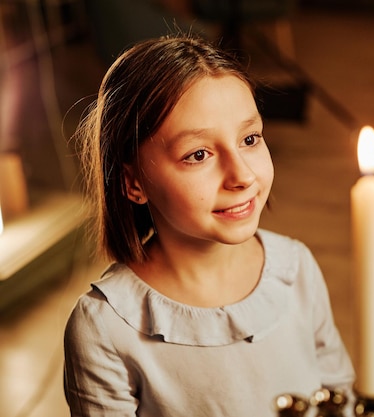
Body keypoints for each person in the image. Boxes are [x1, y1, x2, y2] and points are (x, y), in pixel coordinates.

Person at [63, 34, 355, 416]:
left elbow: (340, 397)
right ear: (133, 182)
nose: (242, 175)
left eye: (250, 139)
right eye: (198, 154)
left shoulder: (295, 268)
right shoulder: (104, 329)